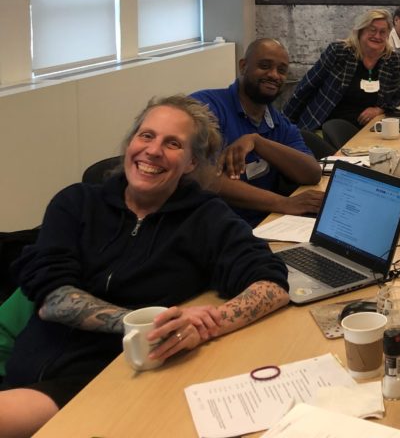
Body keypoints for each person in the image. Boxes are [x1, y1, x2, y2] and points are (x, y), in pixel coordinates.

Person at [0, 96, 289, 437]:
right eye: (146, 135)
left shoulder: (206, 218)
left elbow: (272, 284)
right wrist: (144, 323)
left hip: (104, 379)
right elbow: (54, 299)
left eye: (172, 143)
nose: (153, 151)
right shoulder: (75, 203)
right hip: (31, 362)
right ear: (130, 142)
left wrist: (204, 325)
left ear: (192, 162)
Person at [192, 38, 323, 226]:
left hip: (265, 225)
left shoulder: (279, 123)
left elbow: (312, 173)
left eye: (281, 70)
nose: (274, 75)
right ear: (243, 66)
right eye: (264, 66)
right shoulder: (207, 107)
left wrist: (258, 142)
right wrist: (283, 203)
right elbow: (205, 178)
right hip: (212, 229)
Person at [283, 9, 400, 148]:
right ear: (360, 31)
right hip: (325, 127)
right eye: (372, 30)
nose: (377, 36)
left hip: (369, 130)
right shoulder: (339, 53)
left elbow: (396, 98)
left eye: (382, 32)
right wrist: (284, 126)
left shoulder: (396, 63)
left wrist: (379, 110)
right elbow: (306, 87)